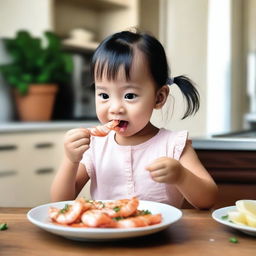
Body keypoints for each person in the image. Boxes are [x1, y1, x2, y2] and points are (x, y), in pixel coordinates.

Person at [51, 30, 218, 209]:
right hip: (106, 232)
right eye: (104, 95)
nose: (115, 108)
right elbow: (61, 203)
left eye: (130, 95)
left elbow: (207, 200)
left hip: (161, 235)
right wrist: (70, 160)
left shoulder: (174, 145)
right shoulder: (95, 145)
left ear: (159, 97)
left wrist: (181, 176)